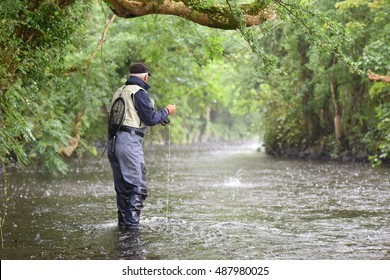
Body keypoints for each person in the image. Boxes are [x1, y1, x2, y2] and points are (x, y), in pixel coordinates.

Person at [108, 62, 176, 229]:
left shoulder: (119, 92)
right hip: (129, 144)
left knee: (123, 189)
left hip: (113, 143)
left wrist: (159, 115)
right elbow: (151, 119)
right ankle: (132, 229)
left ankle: (123, 227)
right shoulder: (139, 92)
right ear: (145, 76)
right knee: (138, 187)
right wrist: (167, 111)